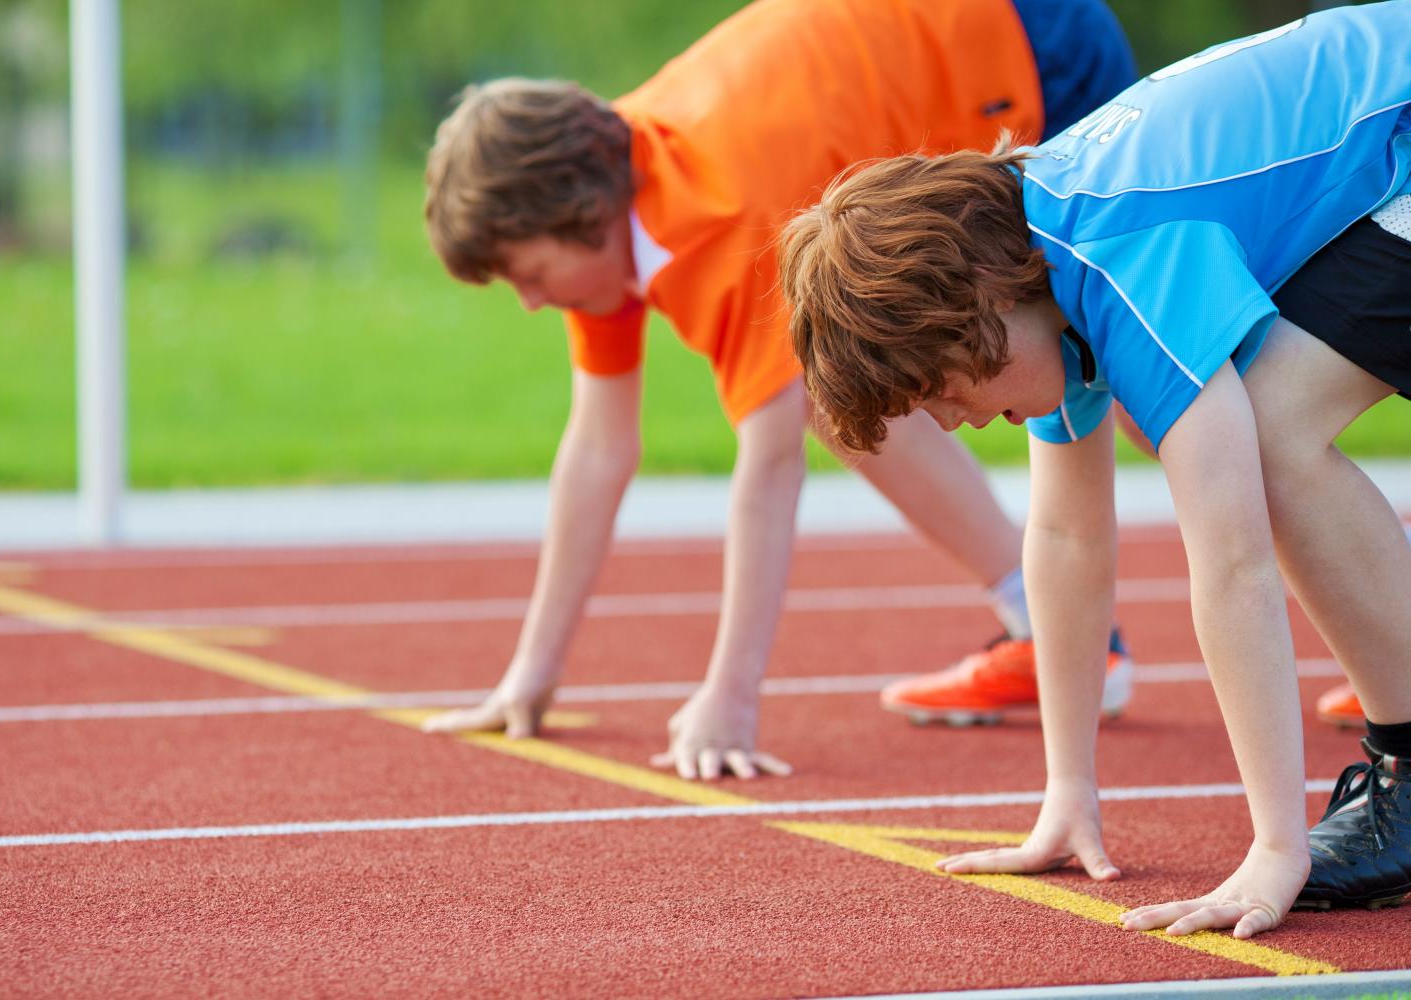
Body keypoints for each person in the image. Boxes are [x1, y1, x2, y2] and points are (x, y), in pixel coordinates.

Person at [778, 2, 1411, 934]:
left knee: (1268, 442)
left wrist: (1278, 846)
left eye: (944, 389)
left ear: (986, 309)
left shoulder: (1115, 253)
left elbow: (1231, 563)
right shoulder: (1040, 273)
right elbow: (1067, 536)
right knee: (1271, 432)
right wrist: (1068, 787)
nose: (955, 424)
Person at [419, 0, 1138, 778]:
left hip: (1027, 43)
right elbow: (597, 447)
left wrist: (730, 694)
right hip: (966, 41)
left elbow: (767, 469)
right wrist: (533, 671)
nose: (530, 301)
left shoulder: (718, 207)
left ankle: (1113, 623)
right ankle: (1056, 630)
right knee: (843, 386)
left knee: (1137, 366)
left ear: (583, 215)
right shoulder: (617, 197)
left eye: (530, 276)